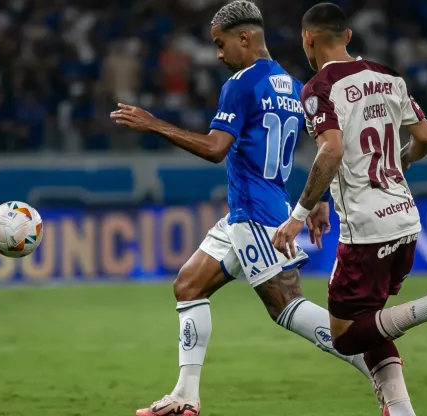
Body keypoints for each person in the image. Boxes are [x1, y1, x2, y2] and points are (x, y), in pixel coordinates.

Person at [110, 2, 373, 415]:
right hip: (249, 209)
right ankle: (185, 396)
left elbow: (216, 149)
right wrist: (320, 200)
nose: (218, 54)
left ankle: (371, 358)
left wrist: (153, 124)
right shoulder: (291, 84)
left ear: (244, 37)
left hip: (257, 214)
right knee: (189, 285)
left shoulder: (241, 83)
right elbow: (323, 144)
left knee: (286, 307)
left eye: (220, 43)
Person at [271, 4, 427, 416]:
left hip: (367, 232)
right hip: (404, 219)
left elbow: (331, 151)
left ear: (307, 40)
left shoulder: (319, 88)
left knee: (347, 337)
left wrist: (298, 215)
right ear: (348, 36)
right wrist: (392, 169)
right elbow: (426, 137)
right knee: (370, 324)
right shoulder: (389, 76)